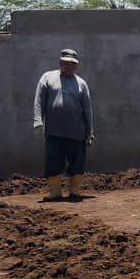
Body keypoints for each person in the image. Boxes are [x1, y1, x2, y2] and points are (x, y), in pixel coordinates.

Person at [33, 48, 93, 202]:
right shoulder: (47, 78)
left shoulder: (81, 83)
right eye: (65, 63)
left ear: (76, 66)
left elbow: (87, 108)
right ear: (60, 62)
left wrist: (89, 130)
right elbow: (39, 100)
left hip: (76, 131)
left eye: (72, 64)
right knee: (53, 161)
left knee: (77, 163)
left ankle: (74, 190)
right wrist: (38, 120)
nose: (68, 66)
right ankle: (55, 192)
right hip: (54, 131)